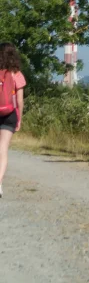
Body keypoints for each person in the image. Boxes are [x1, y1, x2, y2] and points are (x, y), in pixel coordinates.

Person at [0, 43, 27, 198]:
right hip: (10, 114)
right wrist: (19, 119)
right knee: (2, 149)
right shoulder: (17, 74)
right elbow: (20, 100)